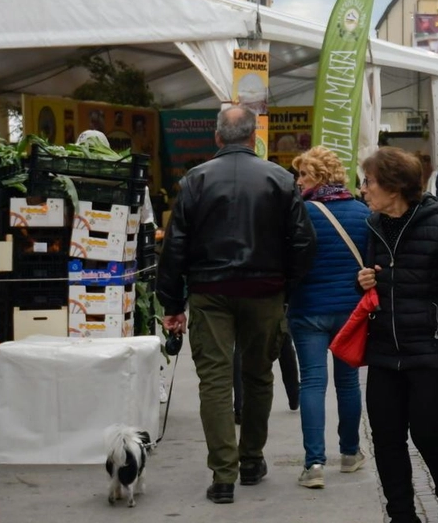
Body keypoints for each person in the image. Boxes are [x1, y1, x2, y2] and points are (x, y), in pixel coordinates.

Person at [157, 107, 316, 504]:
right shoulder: (280, 178)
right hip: (264, 289)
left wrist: (172, 302)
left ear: (217, 137)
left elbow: (174, 245)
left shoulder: (195, 180)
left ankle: (223, 474)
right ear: (253, 138)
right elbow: (303, 242)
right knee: (259, 375)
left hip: (210, 291)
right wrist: (287, 288)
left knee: (214, 381)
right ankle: (250, 460)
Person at [357, 147, 438, 523]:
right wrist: (363, 280)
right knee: (386, 436)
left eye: (369, 182)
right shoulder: (375, 225)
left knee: (427, 431)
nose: (364, 189)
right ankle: (401, 514)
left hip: (433, 348)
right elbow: (376, 277)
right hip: (384, 347)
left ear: (394, 186)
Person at [287, 146, 369, 489]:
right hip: (350, 311)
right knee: (348, 383)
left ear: (318, 176)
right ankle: (350, 454)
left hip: (308, 310)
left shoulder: (300, 213)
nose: (298, 180)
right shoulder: (362, 212)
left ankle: (314, 464)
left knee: (313, 384)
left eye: (303, 174)